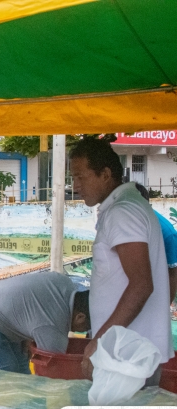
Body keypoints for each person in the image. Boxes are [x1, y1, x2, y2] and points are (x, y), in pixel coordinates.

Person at [69, 138, 174, 383]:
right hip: (128, 352)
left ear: (105, 174)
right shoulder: (126, 207)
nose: (75, 186)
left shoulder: (122, 213)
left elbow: (141, 285)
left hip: (127, 356)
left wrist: (99, 340)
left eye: (80, 177)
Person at [0, 272, 91, 374]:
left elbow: (33, 304)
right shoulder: (52, 328)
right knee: (5, 374)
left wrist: (28, 333)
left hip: (1, 309)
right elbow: (53, 372)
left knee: (22, 373)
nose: (83, 331)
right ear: (80, 317)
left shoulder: (65, 283)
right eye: (85, 328)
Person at [135, 183, 177, 306]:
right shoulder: (125, 224)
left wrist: (164, 306)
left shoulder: (166, 232)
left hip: (153, 297)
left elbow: (173, 274)